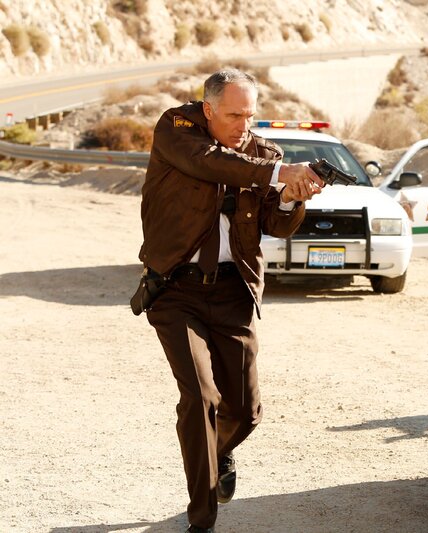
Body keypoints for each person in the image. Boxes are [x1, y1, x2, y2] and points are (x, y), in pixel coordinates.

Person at [137, 68, 324, 533]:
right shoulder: (176, 129)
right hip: (175, 288)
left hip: (233, 290)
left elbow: (276, 225)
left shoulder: (264, 153)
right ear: (208, 109)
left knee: (244, 411)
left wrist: (289, 197)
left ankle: (215, 450)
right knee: (200, 396)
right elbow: (211, 163)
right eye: (234, 115)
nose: (244, 125)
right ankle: (202, 519)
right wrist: (279, 173)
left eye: (251, 116)